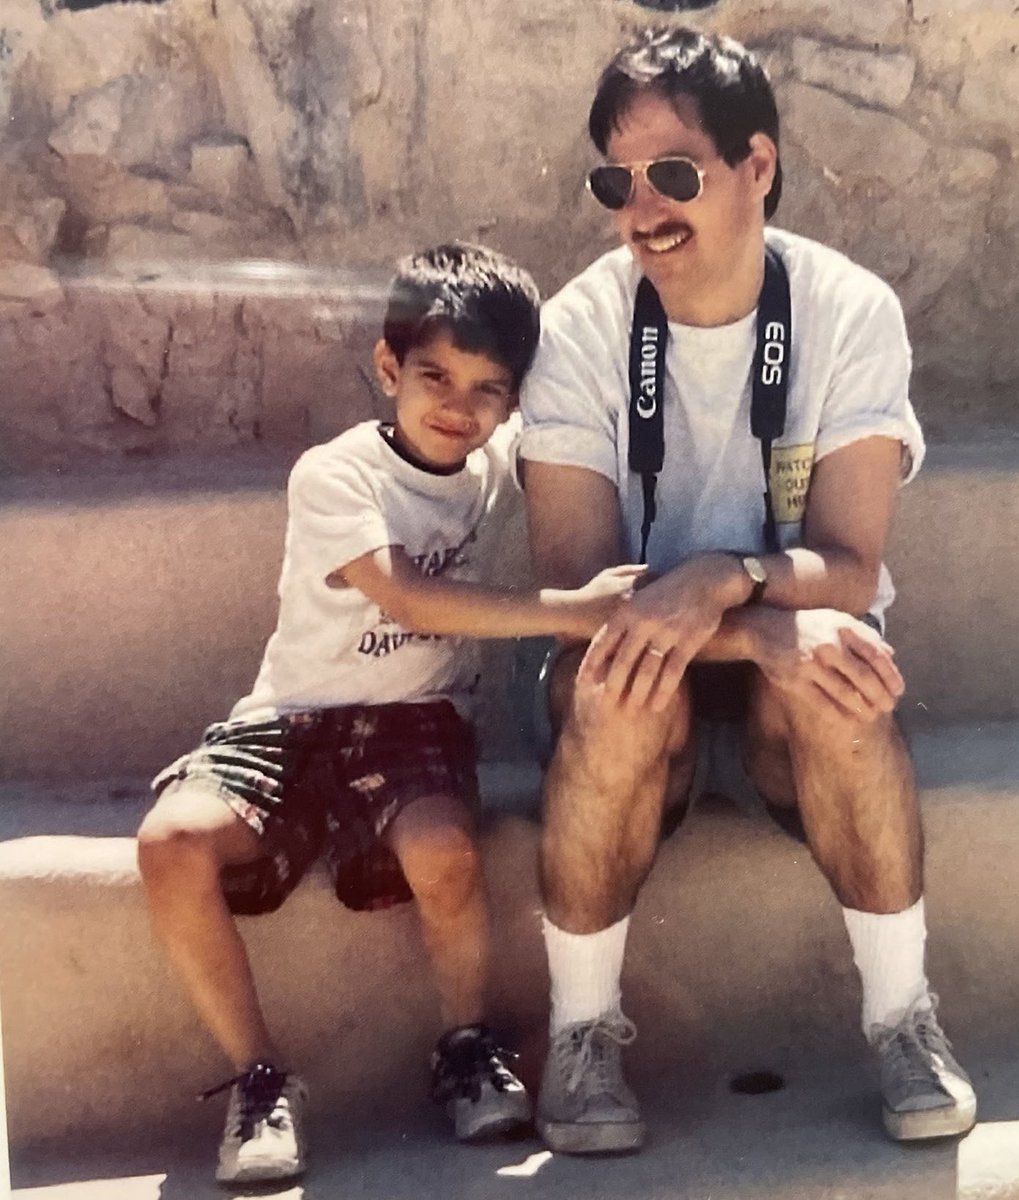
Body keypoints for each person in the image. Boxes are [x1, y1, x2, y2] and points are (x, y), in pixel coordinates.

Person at [517, 26, 977, 1155]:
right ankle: (581, 1035)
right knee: (620, 687)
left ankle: (903, 1019)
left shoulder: (847, 309)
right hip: (635, 670)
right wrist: (757, 629)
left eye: (673, 174)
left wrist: (727, 583)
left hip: (784, 667)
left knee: (838, 669)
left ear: (756, 165)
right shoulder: (579, 326)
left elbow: (849, 567)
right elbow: (573, 595)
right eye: (615, 183)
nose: (642, 211)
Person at [136, 242, 642, 1184]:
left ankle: (465, 1046)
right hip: (294, 717)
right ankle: (258, 1079)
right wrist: (566, 612)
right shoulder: (335, 473)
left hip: (415, 721)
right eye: (434, 376)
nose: (458, 407)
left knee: (444, 849)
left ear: (513, 401)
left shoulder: (493, 470)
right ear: (386, 367)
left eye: (488, 389)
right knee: (170, 843)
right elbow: (405, 595)